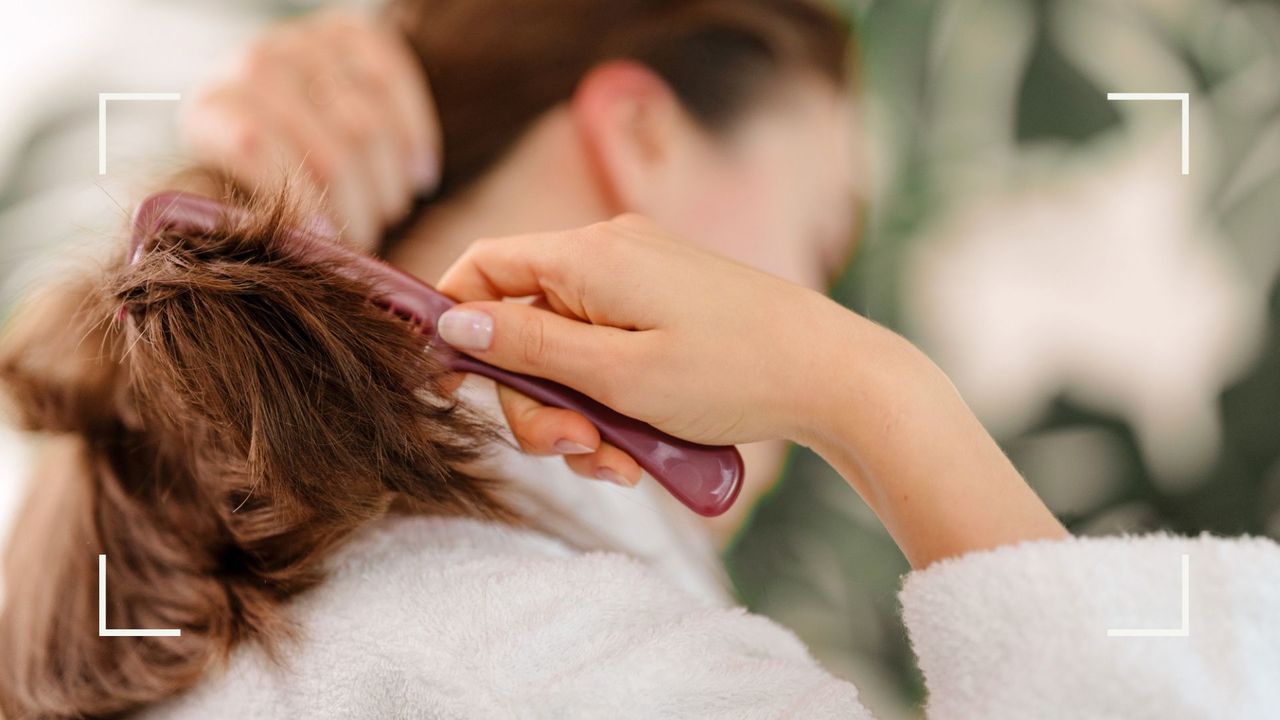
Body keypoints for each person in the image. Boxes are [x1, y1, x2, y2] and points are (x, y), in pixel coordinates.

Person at [0, 4, 1274, 720]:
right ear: (643, 138)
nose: (811, 300)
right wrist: (871, 392)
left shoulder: (130, 570)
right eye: (819, 237)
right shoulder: (574, 665)